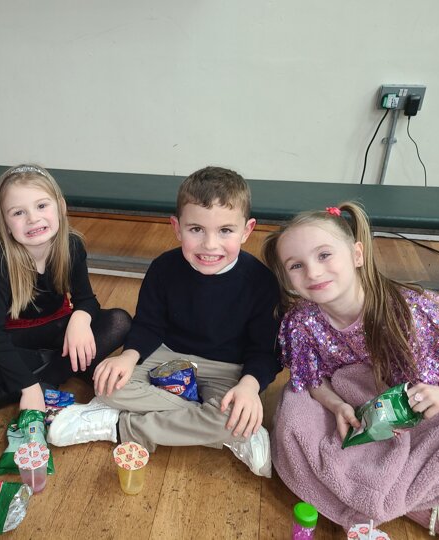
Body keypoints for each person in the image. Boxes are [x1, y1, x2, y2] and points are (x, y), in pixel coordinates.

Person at [47, 166, 281, 478]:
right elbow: (149, 324)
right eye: (196, 229)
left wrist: (249, 387)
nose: (210, 245)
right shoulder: (163, 268)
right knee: (108, 387)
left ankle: (119, 425)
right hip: (167, 355)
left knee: (236, 412)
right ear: (177, 227)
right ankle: (227, 431)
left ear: (247, 230)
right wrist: (129, 356)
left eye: (225, 231)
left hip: (228, 369)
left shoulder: (261, 282)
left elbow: (265, 351)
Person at [261, 202, 439, 538]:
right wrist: (337, 405)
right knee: (292, 422)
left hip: (426, 410)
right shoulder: (301, 322)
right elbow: (311, 379)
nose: (313, 273)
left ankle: (404, 502)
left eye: (324, 255)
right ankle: (423, 500)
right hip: (355, 410)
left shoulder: (413, 308)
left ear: (357, 254)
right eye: (296, 265)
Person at [0, 164, 131, 413]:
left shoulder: (71, 246)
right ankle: (56, 373)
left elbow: (87, 300)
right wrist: (30, 387)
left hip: (61, 331)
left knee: (120, 321)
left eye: (41, 206)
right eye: (18, 212)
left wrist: (80, 320)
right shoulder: (2, 259)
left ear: (60, 207)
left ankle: (23, 384)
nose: (33, 219)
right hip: (17, 340)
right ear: (5, 222)